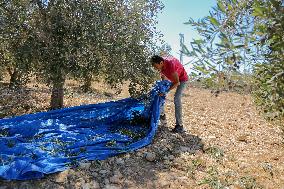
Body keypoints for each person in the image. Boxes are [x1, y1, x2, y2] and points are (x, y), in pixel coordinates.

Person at [150, 55, 188, 133]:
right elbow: (163, 77)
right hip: (173, 78)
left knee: (176, 99)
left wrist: (166, 91)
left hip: (182, 79)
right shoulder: (161, 65)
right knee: (159, 94)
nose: (154, 68)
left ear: (161, 63)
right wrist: (162, 89)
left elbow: (177, 82)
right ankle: (162, 116)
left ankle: (179, 125)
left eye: (155, 66)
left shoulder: (170, 65)